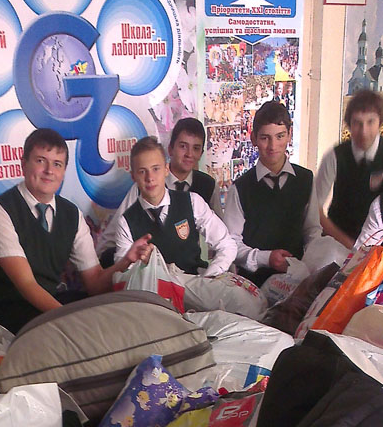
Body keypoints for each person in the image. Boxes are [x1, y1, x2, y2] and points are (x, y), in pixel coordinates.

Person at [0, 128, 152, 333]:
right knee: (86, 331)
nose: (49, 171)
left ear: (64, 171)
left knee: (113, 316)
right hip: (4, 315)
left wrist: (126, 260)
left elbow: (94, 283)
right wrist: (70, 321)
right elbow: (26, 284)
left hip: (48, 305)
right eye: (40, 161)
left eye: (57, 164)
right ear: (24, 164)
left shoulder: (71, 214)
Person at [97, 118, 222, 265]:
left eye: (196, 148)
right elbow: (111, 238)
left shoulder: (208, 185)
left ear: (201, 153)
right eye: (183, 146)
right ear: (170, 149)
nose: (189, 154)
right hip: (150, 270)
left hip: (189, 270)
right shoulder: (144, 186)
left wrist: (222, 269)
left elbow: (222, 235)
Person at [224, 100, 321, 287]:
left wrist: (311, 266)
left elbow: (312, 231)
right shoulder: (241, 188)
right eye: (265, 138)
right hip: (252, 286)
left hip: (298, 284)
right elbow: (231, 243)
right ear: (254, 139)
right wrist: (266, 258)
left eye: (280, 136)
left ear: (289, 135)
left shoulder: (305, 179)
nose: (273, 146)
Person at [114, 136, 236, 277]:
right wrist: (140, 265)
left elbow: (227, 245)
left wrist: (207, 279)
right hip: (153, 289)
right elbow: (123, 274)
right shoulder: (126, 222)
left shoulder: (193, 202)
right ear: (133, 176)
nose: (150, 178)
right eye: (142, 171)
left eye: (156, 169)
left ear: (166, 169)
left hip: (194, 284)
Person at [316, 89, 383, 249]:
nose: (364, 131)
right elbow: (315, 209)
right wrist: (351, 247)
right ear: (349, 125)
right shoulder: (334, 156)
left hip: (377, 248)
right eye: (357, 123)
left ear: (380, 122)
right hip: (338, 243)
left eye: (370, 122)